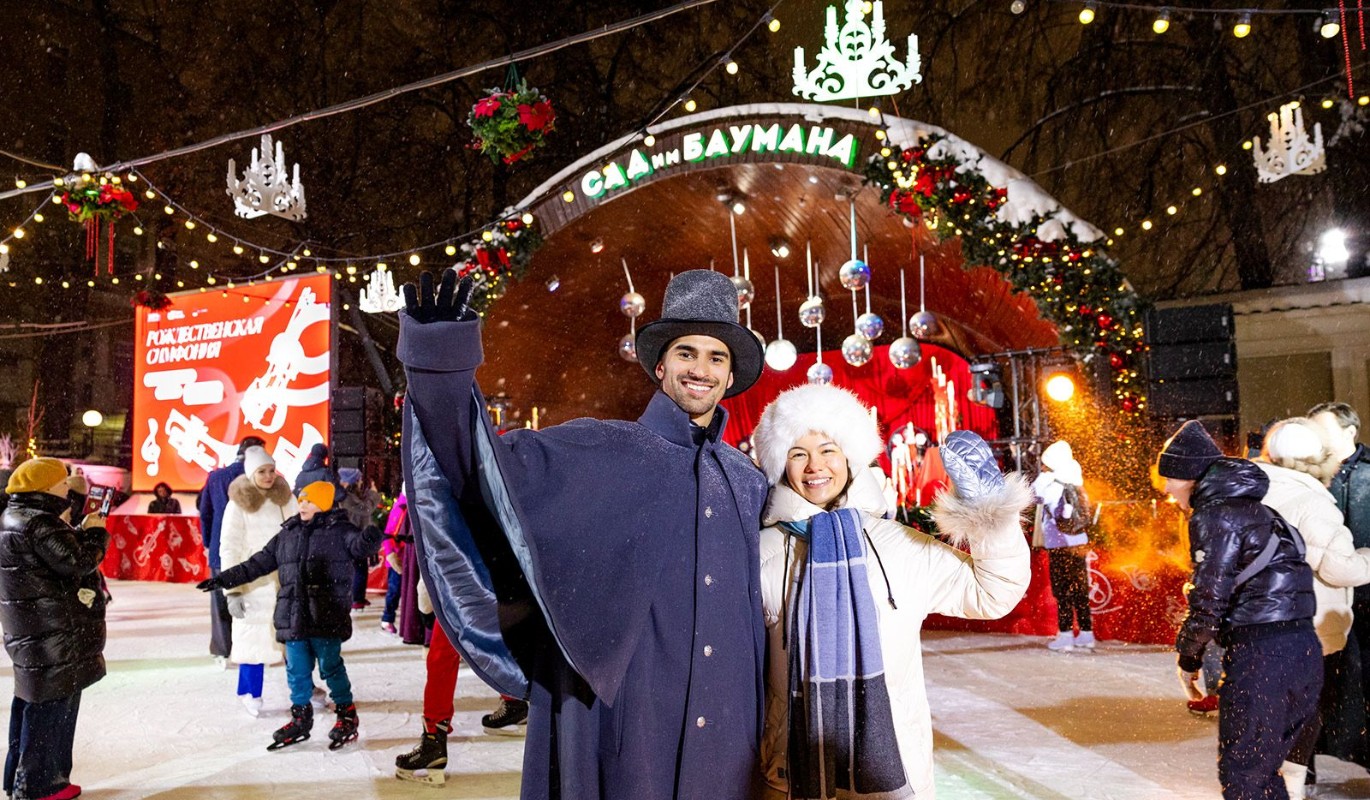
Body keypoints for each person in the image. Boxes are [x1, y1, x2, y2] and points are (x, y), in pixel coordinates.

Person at [399, 269, 769, 799]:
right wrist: (440, 361)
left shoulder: (747, 481)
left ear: (731, 377)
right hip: (626, 735)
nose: (701, 369)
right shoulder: (602, 450)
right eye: (687, 352)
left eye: (717, 357)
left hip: (731, 745)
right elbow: (485, 471)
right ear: (660, 365)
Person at [750, 385, 1032, 800]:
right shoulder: (760, 552)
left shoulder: (897, 545)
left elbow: (993, 591)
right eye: (797, 453)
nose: (815, 466)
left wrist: (990, 515)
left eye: (828, 450)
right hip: (792, 771)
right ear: (780, 465)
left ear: (850, 457)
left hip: (892, 769)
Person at [1160, 420, 1321, 799]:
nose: (1166, 488)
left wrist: (1188, 656)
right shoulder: (1260, 511)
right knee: (1261, 774)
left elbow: (1209, 598)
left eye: (1170, 477)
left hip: (1264, 658)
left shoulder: (1216, 514)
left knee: (1245, 775)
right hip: (1302, 651)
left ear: (1190, 476)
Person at [197, 481, 382, 751]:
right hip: (293, 614)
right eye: (302, 500)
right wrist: (225, 579)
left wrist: (370, 538)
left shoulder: (342, 530)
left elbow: (358, 547)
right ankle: (301, 718)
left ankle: (346, 715)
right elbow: (257, 563)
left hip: (325, 615)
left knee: (331, 668)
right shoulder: (288, 533)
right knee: (296, 670)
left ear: (325, 503)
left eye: (309, 500)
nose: (302, 504)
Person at [1255, 417, 1370, 797]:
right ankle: (1292, 783)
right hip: (1311, 624)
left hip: (1261, 621)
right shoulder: (1313, 501)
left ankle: (1264, 779)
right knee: (1306, 710)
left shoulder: (1253, 492)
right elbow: (1340, 569)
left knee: (1271, 707)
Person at [0, 458, 108, 800]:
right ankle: (40, 786)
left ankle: (21, 779)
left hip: (34, 631)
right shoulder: (38, 523)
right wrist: (94, 532)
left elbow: (53, 561)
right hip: (51, 634)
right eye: (63, 484)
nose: (68, 489)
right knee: (51, 710)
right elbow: (77, 562)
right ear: (47, 488)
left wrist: (75, 531)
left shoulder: (16, 517)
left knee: (33, 704)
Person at [1308, 401, 1370, 771]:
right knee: (1322, 683)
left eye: (1324, 430)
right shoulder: (1309, 475)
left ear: (1350, 432)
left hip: (1365, 596)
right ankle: (1308, 757)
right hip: (1323, 598)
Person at [218, 446, 297, 716]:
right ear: (251, 472)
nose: (268, 476)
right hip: (252, 583)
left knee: (291, 638)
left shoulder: (285, 498)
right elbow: (229, 546)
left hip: (283, 581)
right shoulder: (238, 503)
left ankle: (303, 689)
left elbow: (298, 535)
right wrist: (233, 591)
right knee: (251, 639)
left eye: (271, 470)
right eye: (262, 471)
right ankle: (251, 691)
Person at [197, 436, 266, 662]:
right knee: (253, 600)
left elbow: (205, 512)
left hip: (220, 547)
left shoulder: (215, 477)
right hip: (252, 548)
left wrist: (209, 543)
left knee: (220, 602)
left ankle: (223, 649)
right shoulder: (257, 477)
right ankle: (253, 648)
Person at [395, 576, 462, 786]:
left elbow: (437, 555)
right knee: (508, 646)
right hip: (506, 580)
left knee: (441, 657)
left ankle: (434, 739)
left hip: (462, 586)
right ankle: (515, 702)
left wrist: (425, 599)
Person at [1032, 439, 1095, 652]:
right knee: (1079, 589)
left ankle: (1066, 634)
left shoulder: (1052, 485)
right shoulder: (1075, 480)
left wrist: (1043, 477)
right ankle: (1086, 633)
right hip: (1079, 541)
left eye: (1045, 463)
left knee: (1063, 589)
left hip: (1060, 543)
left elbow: (1034, 497)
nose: (1042, 467)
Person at [337, 468, 380, 610]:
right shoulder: (347, 497)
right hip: (353, 537)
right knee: (359, 568)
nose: (361, 482)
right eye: (359, 479)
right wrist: (373, 493)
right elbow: (365, 509)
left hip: (355, 535)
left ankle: (358, 597)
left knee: (360, 567)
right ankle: (356, 598)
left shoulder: (351, 495)